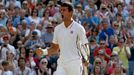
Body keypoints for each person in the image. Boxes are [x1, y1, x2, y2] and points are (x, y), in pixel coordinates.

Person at [42, 2, 89, 75]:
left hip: (75, 63)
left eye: (64, 10)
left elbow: (85, 45)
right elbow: (55, 49)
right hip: (62, 64)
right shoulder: (57, 29)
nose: (61, 12)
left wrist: (86, 58)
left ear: (71, 12)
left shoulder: (79, 28)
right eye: (61, 10)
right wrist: (43, 52)